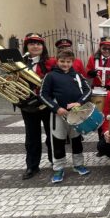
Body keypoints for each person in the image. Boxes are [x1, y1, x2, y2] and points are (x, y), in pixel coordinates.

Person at [39, 50, 92, 183]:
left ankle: (78, 164)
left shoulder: (78, 75)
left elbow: (88, 90)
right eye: (62, 61)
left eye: (68, 61)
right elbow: (42, 95)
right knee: (57, 141)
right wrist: (56, 108)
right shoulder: (50, 76)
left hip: (75, 113)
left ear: (72, 62)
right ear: (57, 61)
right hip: (58, 114)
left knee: (76, 140)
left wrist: (79, 103)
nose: (65, 64)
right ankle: (58, 168)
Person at [20, 33, 56, 180]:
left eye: (38, 43)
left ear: (43, 47)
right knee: (31, 137)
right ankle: (32, 166)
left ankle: (55, 162)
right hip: (28, 105)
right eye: (32, 43)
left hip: (46, 104)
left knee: (52, 135)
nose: (35, 46)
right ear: (26, 46)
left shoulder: (51, 63)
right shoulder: (19, 63)